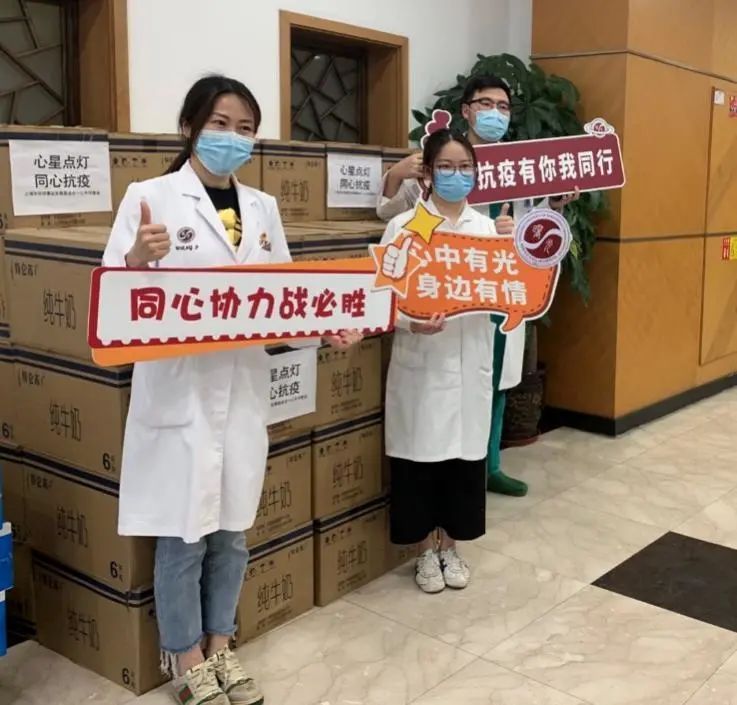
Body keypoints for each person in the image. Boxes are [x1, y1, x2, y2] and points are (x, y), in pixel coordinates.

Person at [103, 75, 362, 705]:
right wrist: (136, 260)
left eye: (245, 128)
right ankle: (184, 657)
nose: (232, 138)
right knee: (182, 535)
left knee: (231, 535)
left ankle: (221, 644)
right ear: (189, 127)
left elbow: (284, 300)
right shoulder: (151, 198)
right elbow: (110, 303)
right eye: (220, 124)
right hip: (180, 394)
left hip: (242, 393)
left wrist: (326, 327)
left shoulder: (264, 209)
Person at [377, 74, 578, 498]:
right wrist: (395, 174)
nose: (495, 114)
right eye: (486, 104)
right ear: (467, 109)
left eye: (503, 107)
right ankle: (456, 473)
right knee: (444, 393)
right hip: (443, 294)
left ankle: (490, 465)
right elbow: (394, 216)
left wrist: (553, 206)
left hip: (498, 293)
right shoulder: (437, 156)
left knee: (495, 378)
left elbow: (536, 234)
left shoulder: (521, 167)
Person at [380, 128, 496, 593]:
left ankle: (451, 546)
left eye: (464, 167)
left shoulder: (487, 229)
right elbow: (383, 298)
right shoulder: (404, 227)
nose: (455, 175)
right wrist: (412, 323)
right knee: (420, 460)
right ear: (426, 173)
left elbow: (508, 291)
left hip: (470, 362)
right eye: (445, 167)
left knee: (463, 462)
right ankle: (424, 552)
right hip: (422, 362)